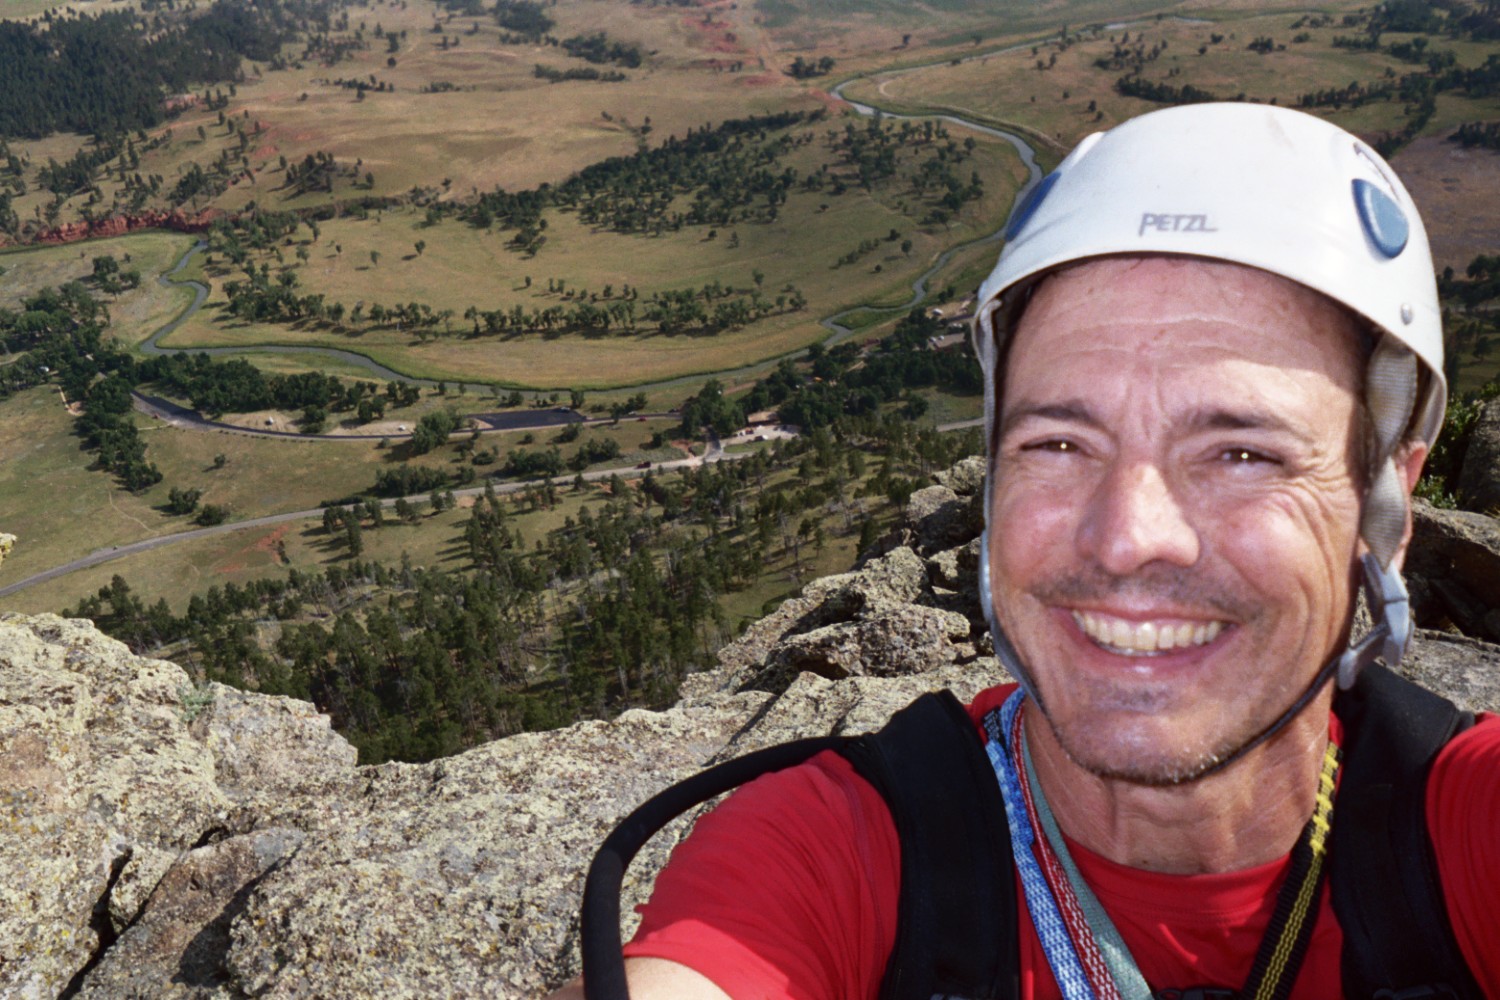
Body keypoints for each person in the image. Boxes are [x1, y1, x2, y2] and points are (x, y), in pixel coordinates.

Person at [553, 104, 1500, 998]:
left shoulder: (1466, 830)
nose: (1128, 539)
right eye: (1058, 444)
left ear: (1387, 508)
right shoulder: (833, 847)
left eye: (1241, 454)